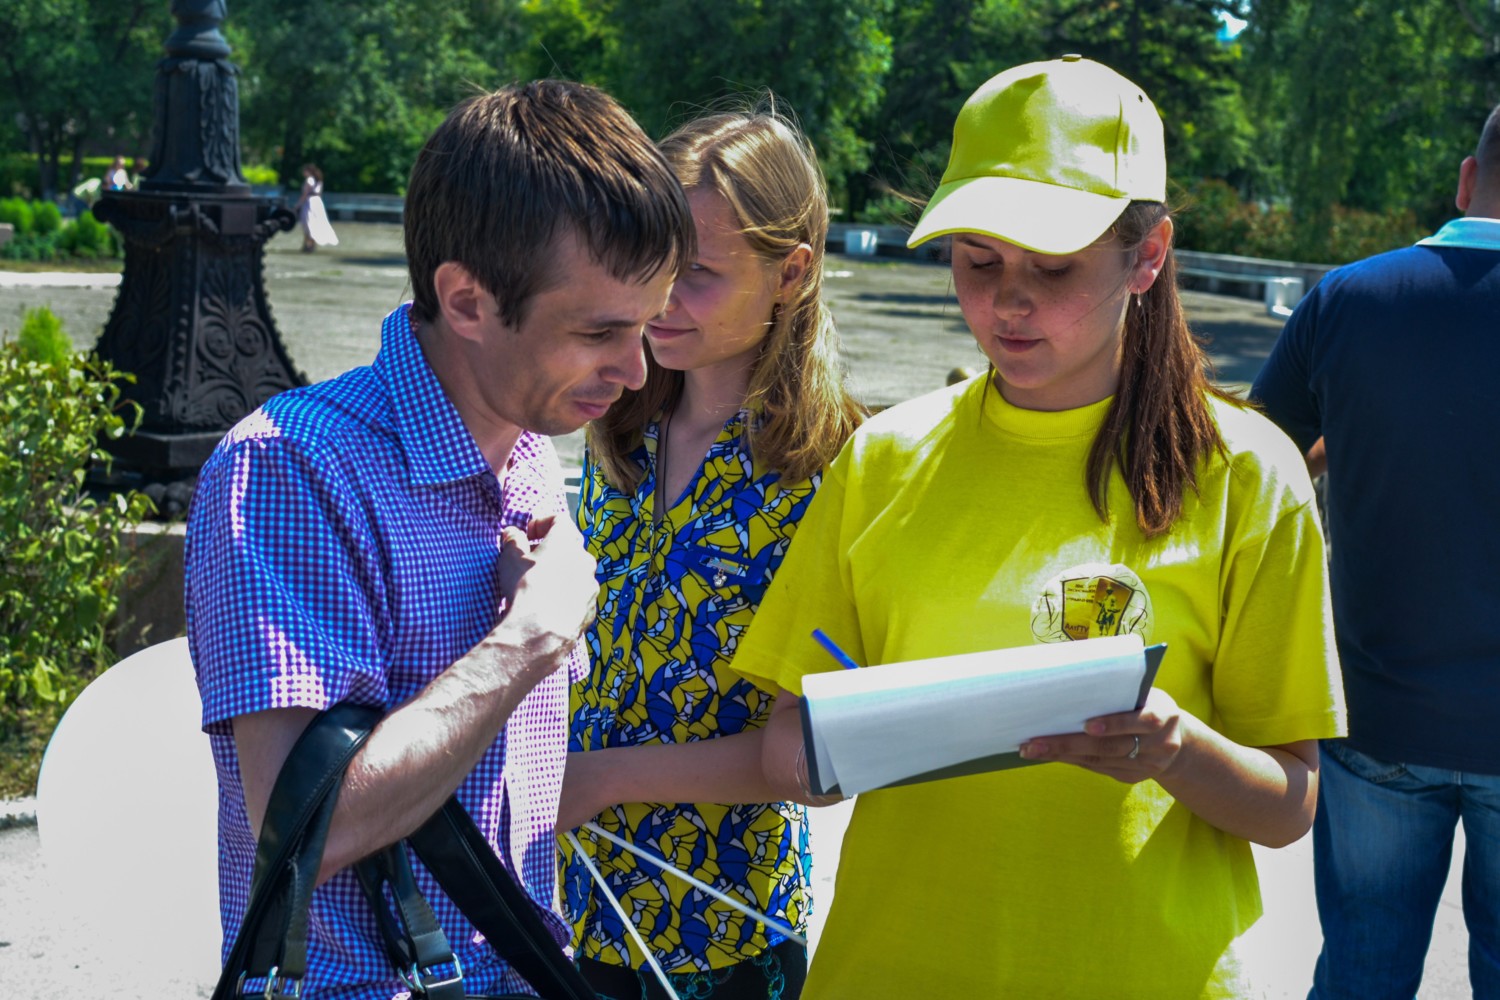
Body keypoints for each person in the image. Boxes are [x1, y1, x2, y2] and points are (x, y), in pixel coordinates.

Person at [727, 56, 1345, 998]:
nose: (1007, 302)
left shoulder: (1248, 473)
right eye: (977, 263)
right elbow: (785, 738)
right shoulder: (886, 457)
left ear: (1148, 255)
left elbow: (1290, 803)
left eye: (1053, 269)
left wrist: (1178, 752)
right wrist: (828, 749)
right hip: (889, 971)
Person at [184, 80, 694, 999]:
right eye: (600, 331)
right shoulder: (293, 469)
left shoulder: (533, 442)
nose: (635, 369)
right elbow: (310, 828)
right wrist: (531, 637)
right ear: (465, 300)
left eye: (650, 324)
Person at [558, 107, 864, 999]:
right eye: (649, 265)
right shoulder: (616, 425)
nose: (660, 300)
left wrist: (603, 781)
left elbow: (815, 754)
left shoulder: (834, 471)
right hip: (576, 901)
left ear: (791, 273)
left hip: (725, 932)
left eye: (696, 274)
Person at [1251, 104, 1500, 1000]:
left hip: (1377, 714)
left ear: (1467, 182)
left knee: (1363, 969)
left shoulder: (1348, 299)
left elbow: (1255, 460)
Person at [296, 163, 338, 252]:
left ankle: (307, 244)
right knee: (315, 223)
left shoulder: (309, 180)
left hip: (309, 202)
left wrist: (298, 205)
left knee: (307, 223)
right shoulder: (319, 181)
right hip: (317, 202)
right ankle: (311, 244)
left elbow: (305, 194)